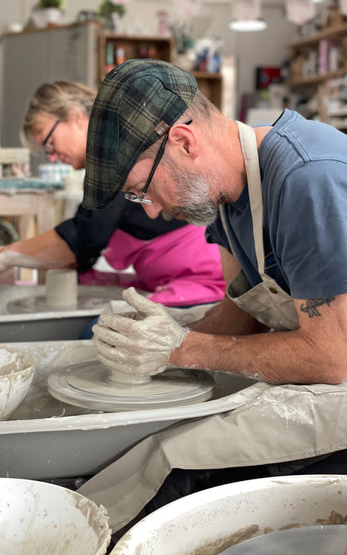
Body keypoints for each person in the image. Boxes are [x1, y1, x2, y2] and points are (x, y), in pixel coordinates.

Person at [74, 59, 347, 533]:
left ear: (183, 141)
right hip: (327, 361)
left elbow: (331, 358)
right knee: (145, 439)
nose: (154, 213)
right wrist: (156, 343)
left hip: (337, 368)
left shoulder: (307, 177)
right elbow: (244, 312)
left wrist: (182, 348)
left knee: (174, 465)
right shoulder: (225, 196)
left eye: (142, 192)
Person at [0, 81, 225, 310]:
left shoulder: (112, 149)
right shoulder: (106, 153)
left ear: (75, 117)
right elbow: (85, 240)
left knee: (100, 333)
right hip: (169, 273)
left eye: (49, 142)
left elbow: (84, 237)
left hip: (202, 277)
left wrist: (4, 256)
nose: (51, 156)